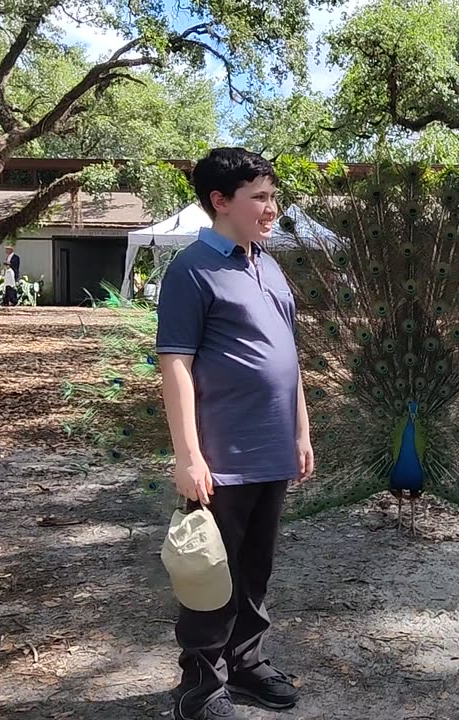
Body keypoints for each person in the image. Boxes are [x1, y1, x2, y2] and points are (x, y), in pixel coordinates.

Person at [156, 148, 314, 720]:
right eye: (260, 198)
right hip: (221, 456)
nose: (272, 208)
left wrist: (301, 430)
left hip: (272, 451)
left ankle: (246, 665)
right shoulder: (191, 270)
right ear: (220, 202)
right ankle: (199, 686)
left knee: (254, 571)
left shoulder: (268, 265)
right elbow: (174, 364)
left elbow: (288, 358)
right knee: (210, 575)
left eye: (273, 196)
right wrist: (188, 456)